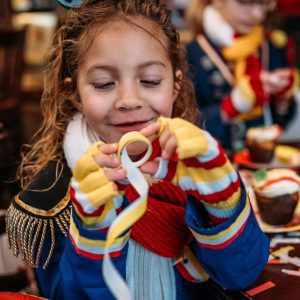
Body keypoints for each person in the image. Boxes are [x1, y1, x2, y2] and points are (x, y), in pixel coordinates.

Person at [6, 0, 269, 299]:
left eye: (149, 80)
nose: (129, 99)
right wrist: (93, 230)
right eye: (104, 84)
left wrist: (223, 199)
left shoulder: (199, 167)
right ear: (74, 94)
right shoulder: (52, 203)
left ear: (174, 86)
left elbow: (241, 276)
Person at [185, 0, 299, 151]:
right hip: (213, 165)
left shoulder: (270, 46)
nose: (257, 14)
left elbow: (280, 120)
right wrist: (232, 105)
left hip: (264, 161)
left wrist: (283, 100)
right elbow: (182, 126)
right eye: (245, 3)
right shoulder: (190, 53)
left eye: (263, 3)